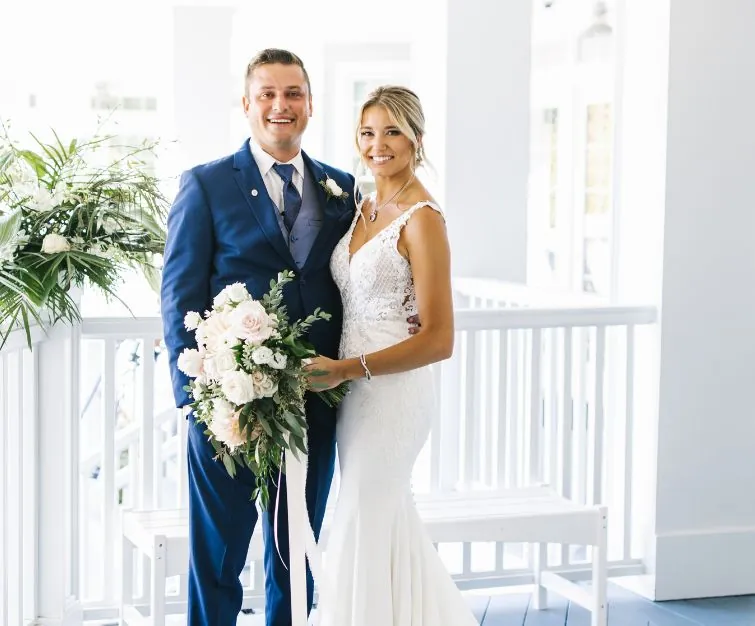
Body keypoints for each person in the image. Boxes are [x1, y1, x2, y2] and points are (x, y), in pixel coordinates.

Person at [161, 49, 358, 626]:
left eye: (293, 93)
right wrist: (195, 399)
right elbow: (179, 296)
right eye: (267, 94)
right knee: (218, 555)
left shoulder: (341, 187)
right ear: (246, 105)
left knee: (296, 552)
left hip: (315, 401)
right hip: (228, 406)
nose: (281, 105)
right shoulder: (206, 184)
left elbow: (354, 278)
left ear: (310, 105)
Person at [305, 86, 478, 625]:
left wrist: (346, 369)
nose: (377, 144)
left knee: (359, 518)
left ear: (417, 139)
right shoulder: (363, 205)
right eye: (367, 132)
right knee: (383, 522)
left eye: (392, 131)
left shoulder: (422, 219)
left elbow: (440, 338)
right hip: (352, 390)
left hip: (393, 393)